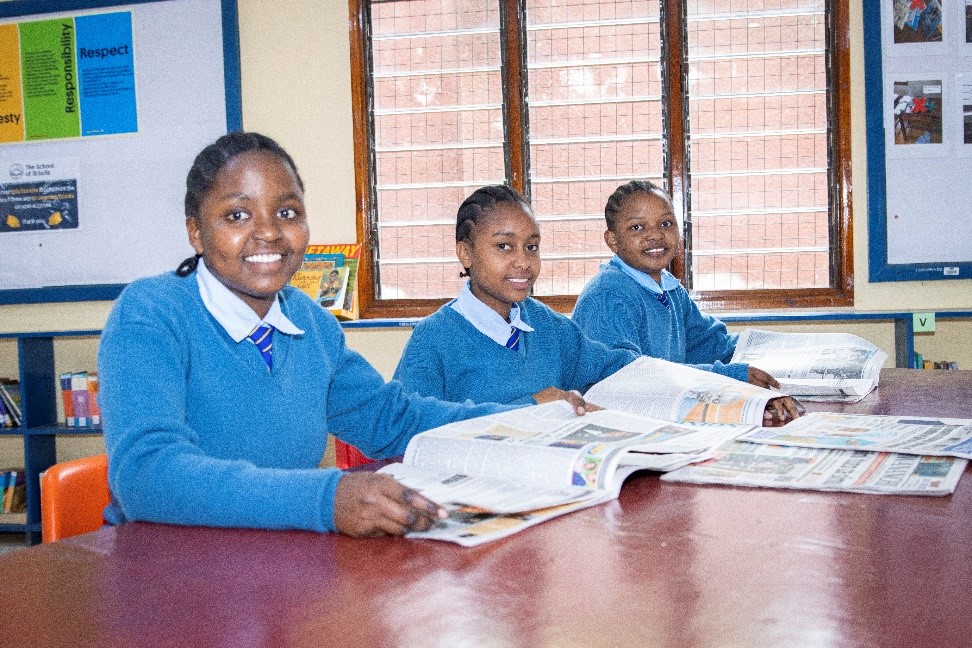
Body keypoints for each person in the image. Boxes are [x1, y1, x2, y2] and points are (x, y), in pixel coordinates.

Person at [97, 132, 517, 539]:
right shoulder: (151, 313)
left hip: (275, 561)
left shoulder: (309, 323)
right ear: (195, 232)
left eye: (287, 213)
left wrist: (521, 419)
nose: (269, 232)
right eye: (237, 215)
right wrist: (324, 499)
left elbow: (393, 420)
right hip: (164, 569)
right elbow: (146, 475)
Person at [573, 180, 802, 424]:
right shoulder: (609, 294)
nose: (655, 235)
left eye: (666, 223)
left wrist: (780, 350)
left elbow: (710, 344)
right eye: (637, 227)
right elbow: (628, 378)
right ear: (613, 241)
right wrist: (731, 376)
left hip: (661, 414)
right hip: (617, 422)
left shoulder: (668, 288)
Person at [392, 185, 637, 409]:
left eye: (531, 247)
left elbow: (614, 367)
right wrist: (531, 405)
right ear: (465, 254)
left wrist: (665, 377)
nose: (523, 262)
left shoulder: (546, 323)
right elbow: (411, 428)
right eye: (504, 246)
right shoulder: (434, 338)